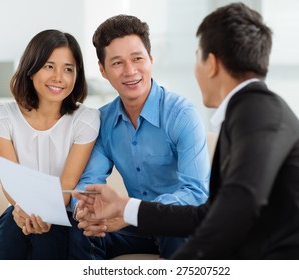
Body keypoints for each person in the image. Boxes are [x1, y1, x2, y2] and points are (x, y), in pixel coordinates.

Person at [74, 3, 299, 259]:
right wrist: (120, 210)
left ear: (212, 63)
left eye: (197, 57)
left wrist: (131, 213)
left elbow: (232, 209)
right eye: (117, 62)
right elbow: (215, 212)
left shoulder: (255, 112)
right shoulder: (251, 109)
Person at [69, 14, 210, 259]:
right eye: (117, 63)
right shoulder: (102, 122)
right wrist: (85, 209)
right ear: (103, 70)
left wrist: (131, 211)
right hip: (133, 228)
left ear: (151, 60)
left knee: (174, 231)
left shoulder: (182, 115)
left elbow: (196, 192)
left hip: (176, 224)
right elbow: (90, 180)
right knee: (77, 231)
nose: (130, 71)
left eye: (137, 59)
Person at [0, 29, 100, 259]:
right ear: (30, 69)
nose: (59, 77)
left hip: (62, 212)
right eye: (49, 66)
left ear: (76, 75)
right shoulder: (3, 115)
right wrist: (21, 210)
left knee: (50, 231)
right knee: (11, 222)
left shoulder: (86, 119)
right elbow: (10, 180)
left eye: (68, 69)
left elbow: (66, 187)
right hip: (21, 209)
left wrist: (39, 215)